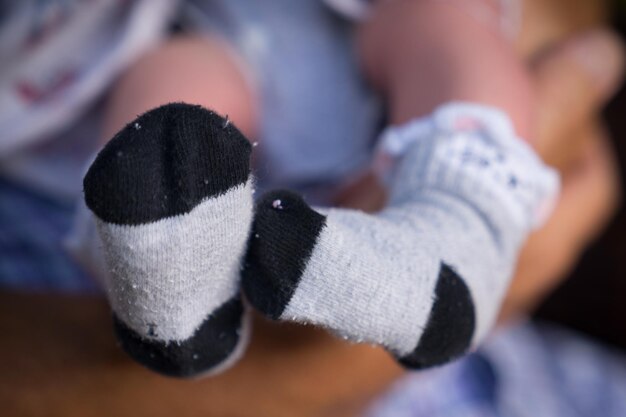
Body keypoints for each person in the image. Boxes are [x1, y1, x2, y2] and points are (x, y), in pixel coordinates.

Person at [0, 0, 622, 383]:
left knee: (448, 24)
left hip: (381, 71)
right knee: (175, 91)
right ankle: (169, 278)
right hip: (215, 44)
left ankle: (456, 233)